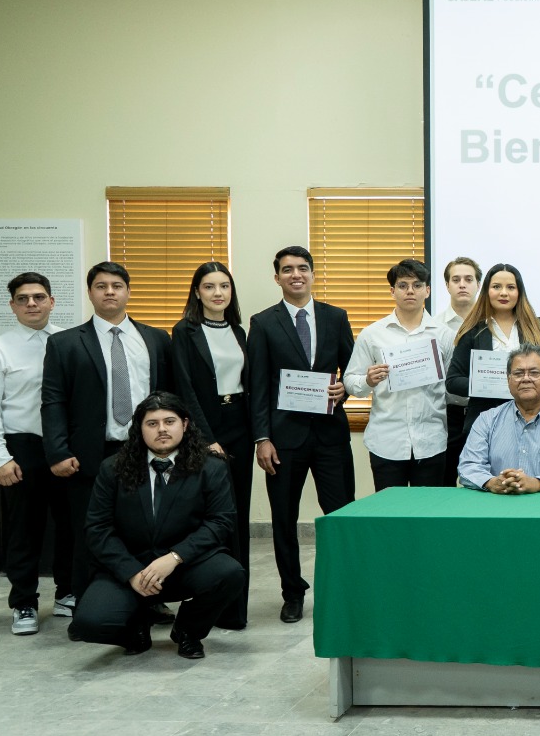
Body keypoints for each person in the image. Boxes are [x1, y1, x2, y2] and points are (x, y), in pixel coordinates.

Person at [69, 393, 245, 659]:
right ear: (140, 429)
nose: (162, 429)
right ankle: (135, 627)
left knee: (230, 574)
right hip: (130, 567)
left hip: (184, 565)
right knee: (89, 625)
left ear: (184, 425)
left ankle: (188, 631)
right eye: (152, 423)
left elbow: (220, 522)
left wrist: (175, 557)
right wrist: (132, 573)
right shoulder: (113, 468)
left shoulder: (211, 467)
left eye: (169, 421)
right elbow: (98, 529)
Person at [42, 262, 173, 606]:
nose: (110, 292)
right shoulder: (65, 343)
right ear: (90, 294)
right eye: (101, 286)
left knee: (146, 526)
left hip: (145, 450)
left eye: (117, 285)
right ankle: (89, 601)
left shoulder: (156, 339)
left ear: (128, 291)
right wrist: (57, 451)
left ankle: (150, 597)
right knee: (91, 531)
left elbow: (170, 398)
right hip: (89, 453)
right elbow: (53, 400)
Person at [245, 245, 354, 624]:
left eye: (303, 268)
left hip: (330, 437)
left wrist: (348, 390)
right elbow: (257, 384)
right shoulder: (263, 322)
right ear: (277, 277)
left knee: (339, 517)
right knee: (284, 520)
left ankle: (343, 588)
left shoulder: (336, 317)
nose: (296, 274)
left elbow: (351, 370)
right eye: (287, 269)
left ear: (312, 274)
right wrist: (261, 437)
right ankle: (292, 592)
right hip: (282, 440)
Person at [0, 272, 70, 635]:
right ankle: (24, 604)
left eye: (39, 297)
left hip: (61, 448)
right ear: (12, 305)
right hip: (22, 448)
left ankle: (68, 593)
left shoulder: (66, 341)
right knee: (24, 530)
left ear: (52, 301)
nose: (32, 303)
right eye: (23, 298)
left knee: (70, 527)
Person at [169, 261, 253, 630]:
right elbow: (184, 389)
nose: (218, 293)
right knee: (213, 517)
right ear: (197, 292)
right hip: (206, 427)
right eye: (209, 286)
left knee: (239, 514)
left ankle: (235, 611)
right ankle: (208, 603)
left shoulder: (239, 330)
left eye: (224, 286)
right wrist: (206, 439)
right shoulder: (184, 332)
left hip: (241, 426)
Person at [344, 259, 453, 489]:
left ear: (427, 290)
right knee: (389, 516)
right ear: (392, 291)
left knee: (429, 514)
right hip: (387, 441)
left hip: (431, 441)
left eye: (417, 285)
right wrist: (368, 380)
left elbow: (453, 386)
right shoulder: (372, 334)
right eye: (403, 285)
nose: (410, 291)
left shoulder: (444, 335)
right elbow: (350, 382)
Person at [458, 344, 540, 493]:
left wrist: (538, 483)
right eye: (518, 373)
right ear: (508, 379)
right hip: (498, 506)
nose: (526, 379)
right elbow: (468, 466)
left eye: (534, 373)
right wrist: (492, 482)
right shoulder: (486, 420)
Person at [445, 264, 540, 438]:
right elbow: (453, 381)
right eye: (496, 287)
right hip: (484, 424)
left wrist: (528, 387)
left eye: (510, 287)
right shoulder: (472, 330)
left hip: (533, 422)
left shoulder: (536, 327)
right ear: (487, 291)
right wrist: (488, 385)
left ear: (519, 292)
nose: (504, 293)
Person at [436, 257, 481, 487]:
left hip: (484, 412)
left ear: (478, 284)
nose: (462, 284)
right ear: (447, 285)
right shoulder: (435, 326)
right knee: (445, 481)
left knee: (484, 481)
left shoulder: (491, 323)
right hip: (448, 414)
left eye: (468, 279)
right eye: (456, 279)